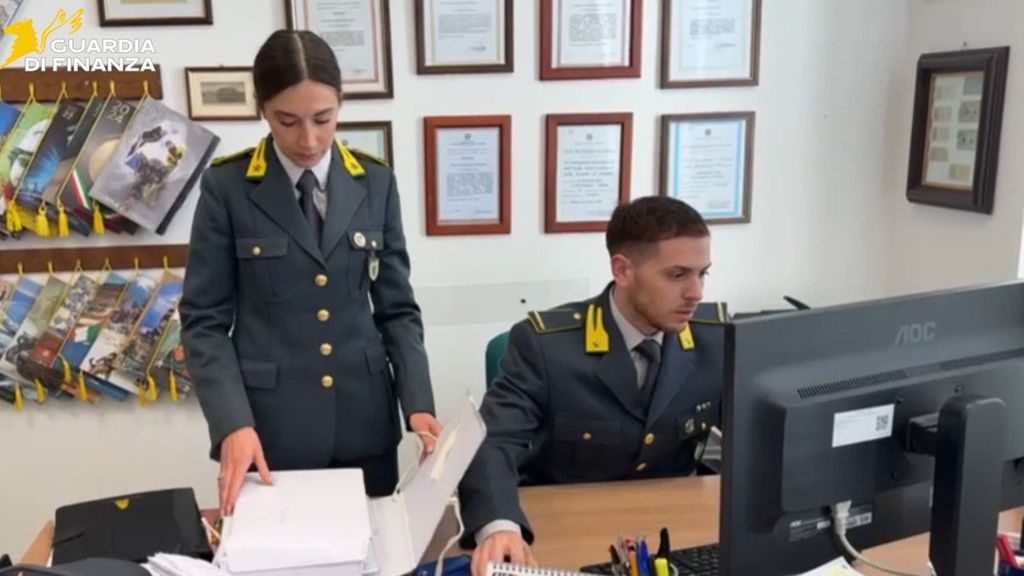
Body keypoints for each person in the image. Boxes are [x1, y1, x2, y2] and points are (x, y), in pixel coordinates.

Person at [180, 29, 441, 516]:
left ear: (340, 104)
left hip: (366, 425)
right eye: (288, 121)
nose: (309, 140)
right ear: (262, 109)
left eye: (323, 119)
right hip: (268, 432)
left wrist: (419, 403)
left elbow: (397, 310)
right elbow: (204, 322)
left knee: (375, 546)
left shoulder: (375, 182)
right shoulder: (228, 188)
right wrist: (232, 422)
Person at [458, 196, 725, 576]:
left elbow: (756, 438)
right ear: (623, 270)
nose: (696, 292)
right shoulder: (547, 346)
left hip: (675, 533)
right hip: (564, 532)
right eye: (678, 275)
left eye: (703, 274)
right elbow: (492, 440)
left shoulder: (716, 340)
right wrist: (500, 526)